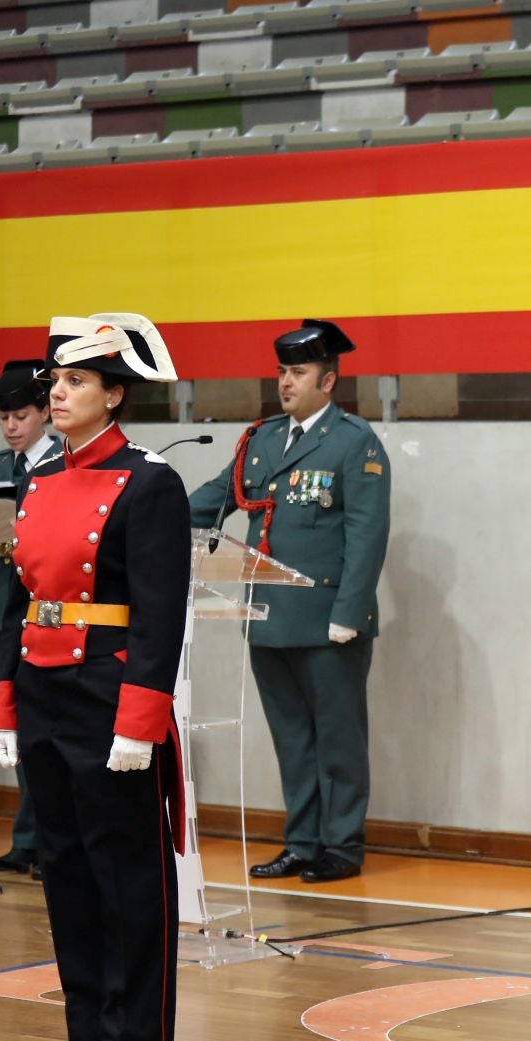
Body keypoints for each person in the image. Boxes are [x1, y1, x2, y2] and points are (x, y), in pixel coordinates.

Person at [0, 313, 191, 1041]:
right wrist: (8, 706)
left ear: (114, 395)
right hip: (44, 690)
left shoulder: (150, 483)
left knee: (125, 872)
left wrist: (140, 718)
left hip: (109, 693)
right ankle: (86, 1034)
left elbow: (159, 613)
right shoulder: (35, 481)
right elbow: (20, 603)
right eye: (56, 381)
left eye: (75, 381)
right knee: (65, 868)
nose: (57, 393)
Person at [187, 320, 389, 884]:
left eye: (297, 373)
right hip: (268, 616)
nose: (285, 382)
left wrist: (349, 613)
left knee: (338, 741)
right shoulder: (264, 439)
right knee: (293, 741)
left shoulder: (354, 442)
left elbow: (367, 535)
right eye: (281, 372)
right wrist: (150, 513)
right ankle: (302, 842)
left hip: (328, 621)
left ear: (328, 382)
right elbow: (213, 500)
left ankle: (342, 847)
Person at [0, 360, 58, 875]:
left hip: (47, 612)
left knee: (47, 729)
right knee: (13, 731)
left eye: (21, 415)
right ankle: (27, 838)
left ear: (46, 410)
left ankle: (52, 841)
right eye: (3, 418)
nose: (11, 427)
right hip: (1, 612)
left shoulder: (65, 464)